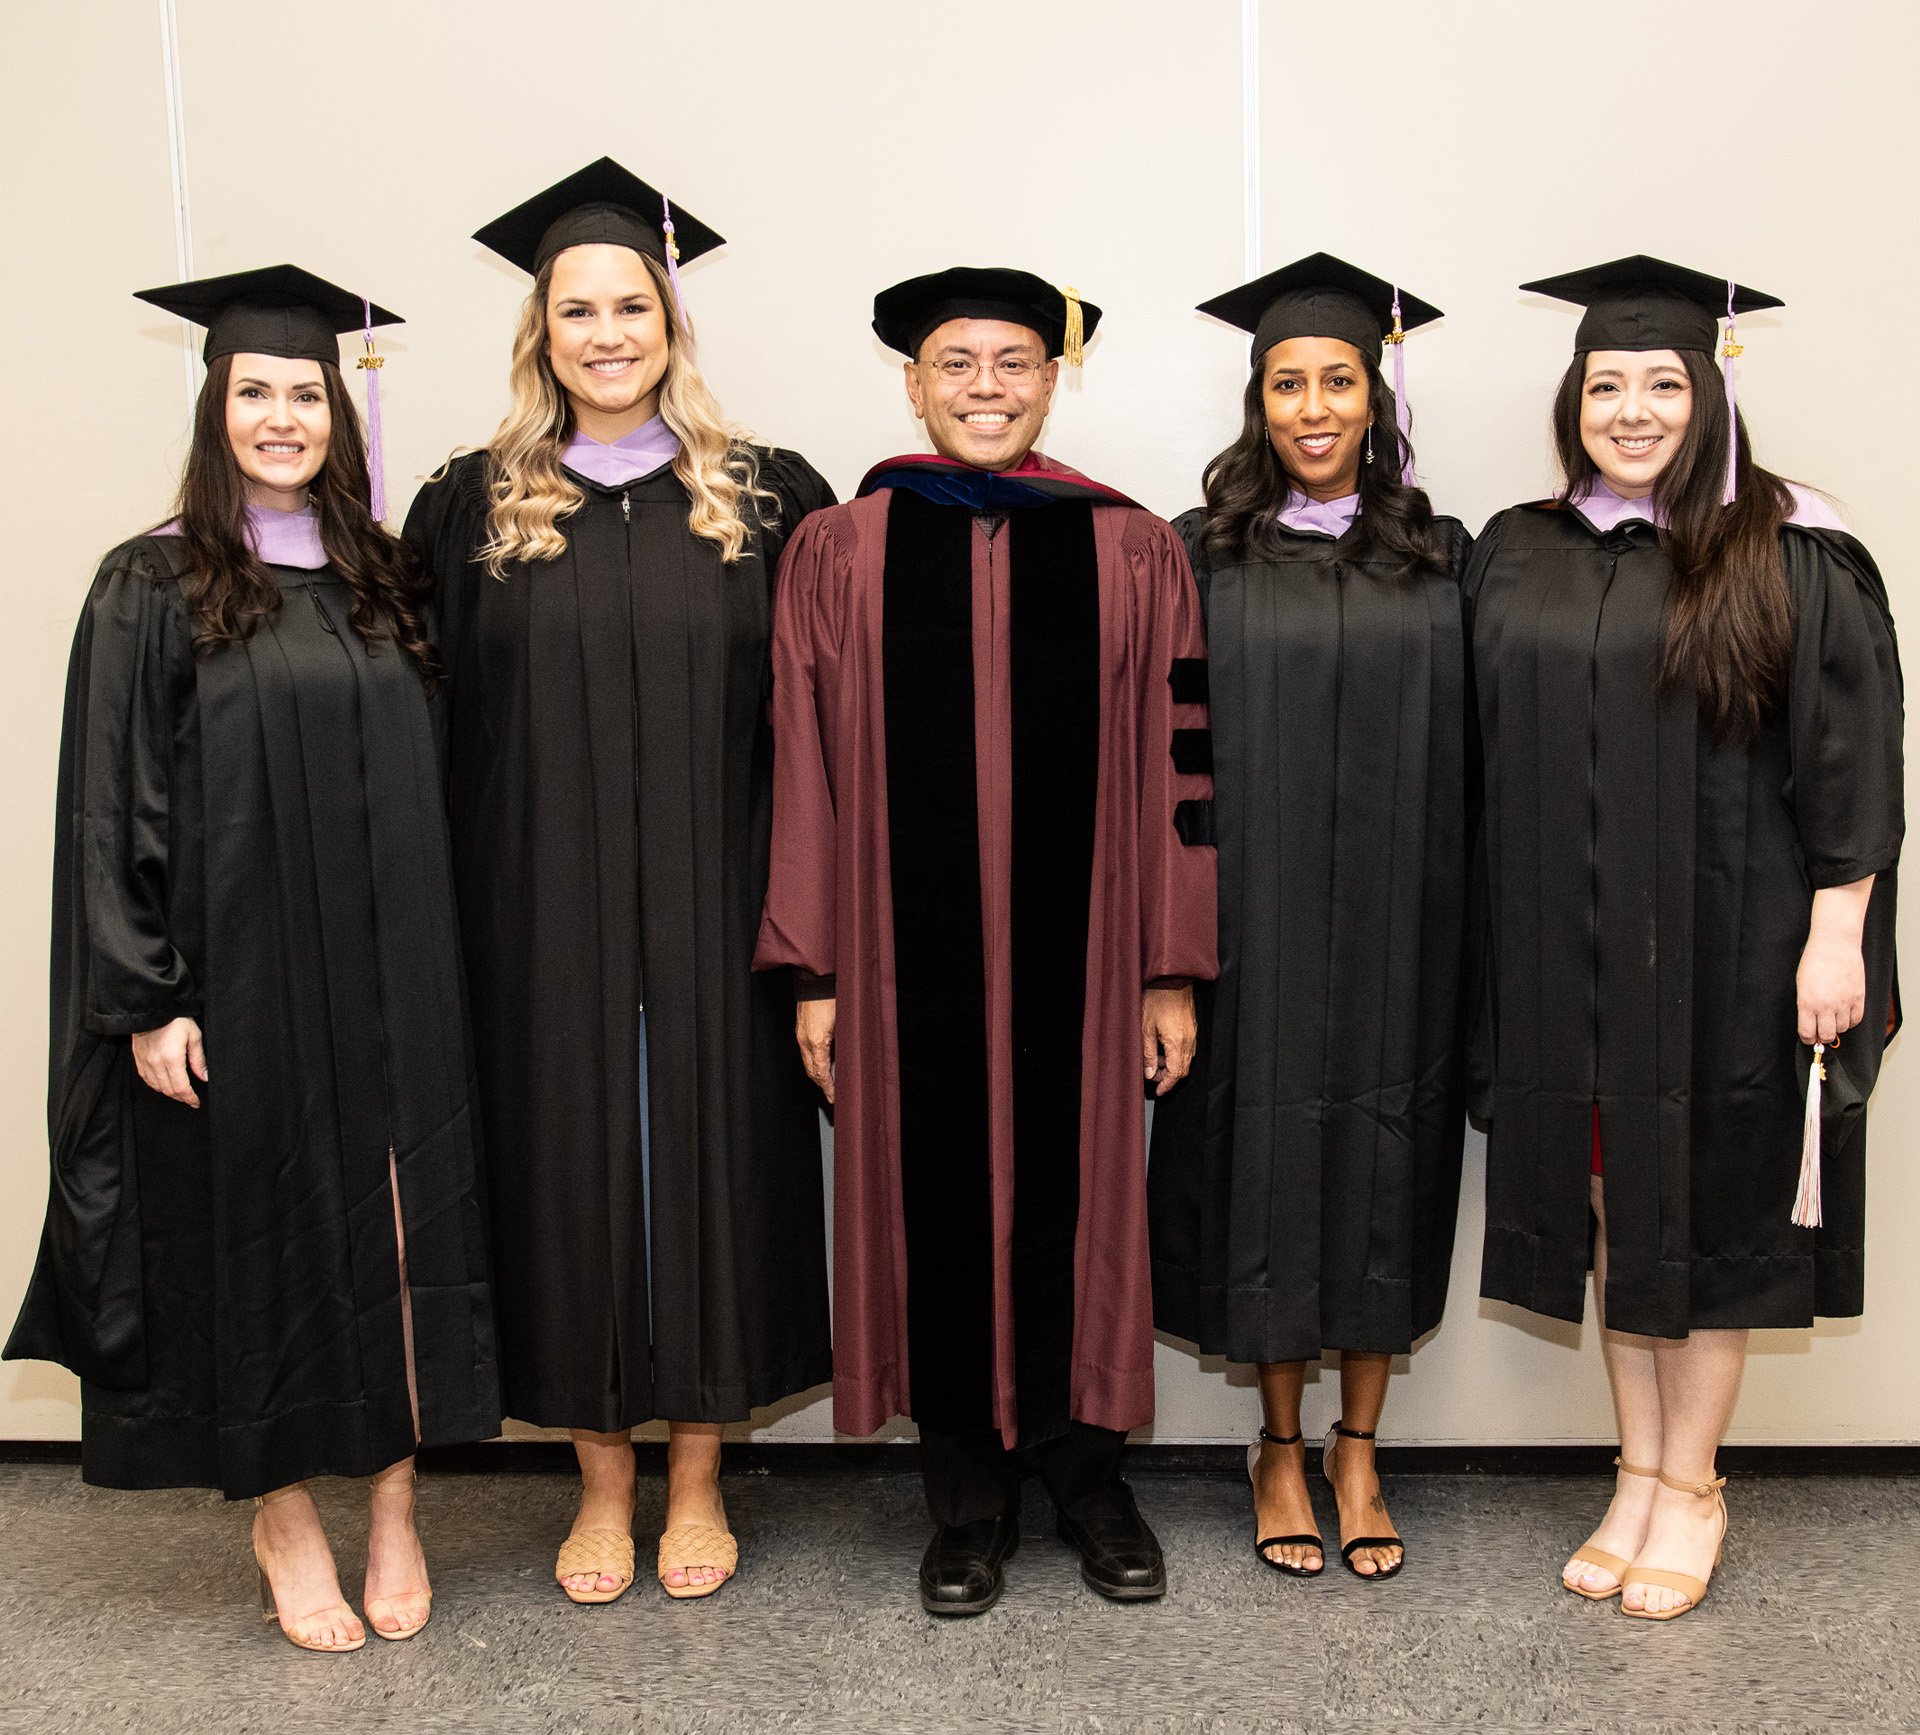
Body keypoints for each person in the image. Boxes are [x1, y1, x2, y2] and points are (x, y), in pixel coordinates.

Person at [4, 266, 500, 1653]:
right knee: (258, 1243)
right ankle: (282, 1515)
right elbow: (113, 805)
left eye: (305, 394)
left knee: (404, 1241)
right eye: (255, 394)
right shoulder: (152, 581)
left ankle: (397, 1507)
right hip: (244, 983)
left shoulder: (384, 577)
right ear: (215, 409)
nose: (283, 418)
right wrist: (145, 997)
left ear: (340, 414)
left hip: (400, 976)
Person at [755, 267, 1218, 1616]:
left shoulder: (1132, 552)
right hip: (904, 968)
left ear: (1052, 380)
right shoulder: (843, 549)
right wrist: (819, 973)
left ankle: (1087, 1478)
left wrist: (1169, 964)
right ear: (912, 383)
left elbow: (1181, 771)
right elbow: (805, 773)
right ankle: (964, 1502)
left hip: (1085, 966)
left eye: (1013, 363)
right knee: (931, 1206)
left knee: (1084, 1204)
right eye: (956, 364)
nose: (985, 389)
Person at [404, 159, 834, 1605]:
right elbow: (421, 732)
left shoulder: (769, 499)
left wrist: (817, 945)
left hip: (725, 918)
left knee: (711, 1170)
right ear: (539, 334)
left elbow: (829, 738)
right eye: (575, 311)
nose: (605, 333)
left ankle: (701, 1477)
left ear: (672, 324)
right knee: (574, 1182)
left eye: (630, 307)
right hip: (540, 923)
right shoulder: (466, 508)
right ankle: (600, 1485)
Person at [1469, 256, 1902, 1620]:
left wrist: (1839, 938)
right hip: (1570, 953)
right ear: (1575, 399)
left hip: (1732, 945)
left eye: (1665, 384)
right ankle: (1638, 1469)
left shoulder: (1793, 546)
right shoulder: (1525, 545)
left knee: (1706, 1209)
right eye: (1609, 386)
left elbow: (1853, 764)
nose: (1635, 410)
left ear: (1710, 394)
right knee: (1611, 1205)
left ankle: (1695, 1485)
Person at [1148, 254, 1472, 1581]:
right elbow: (1164, 758)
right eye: (1289, 381)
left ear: (1376, 393)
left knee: (1387, 1168)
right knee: (1271, 1167)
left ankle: (1360, 1445)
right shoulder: (1201, 551)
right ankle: (1279, 1445)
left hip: (1408, 922)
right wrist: (1170, 955)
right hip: (1256, 927)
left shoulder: (1446, 555)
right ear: (1259, 401)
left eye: (1339, 377)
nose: (1315, 404)